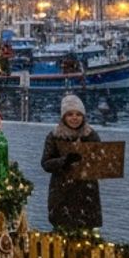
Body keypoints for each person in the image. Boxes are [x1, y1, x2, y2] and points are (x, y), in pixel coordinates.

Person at [39, 93, 102, 230]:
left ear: (83, 116)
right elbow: (45, 163)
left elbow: (100, 161)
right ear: (64, 117)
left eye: (78, 114)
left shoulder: (91, 135)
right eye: (70, 114)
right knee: (62, 232)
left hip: (86, 193)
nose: (74, 118)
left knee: (87, 236)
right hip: (62, 192)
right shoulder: (54, 136)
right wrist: (64, 161)